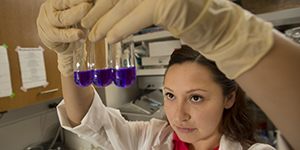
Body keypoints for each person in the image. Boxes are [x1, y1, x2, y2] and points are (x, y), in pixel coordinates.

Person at [36, 0, 300, 149]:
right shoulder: (149, 138)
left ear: (229, 97)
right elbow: (87, 119)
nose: (178, 114)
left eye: (196, 98)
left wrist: (233, 34)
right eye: (170, 95)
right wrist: (68, 58)